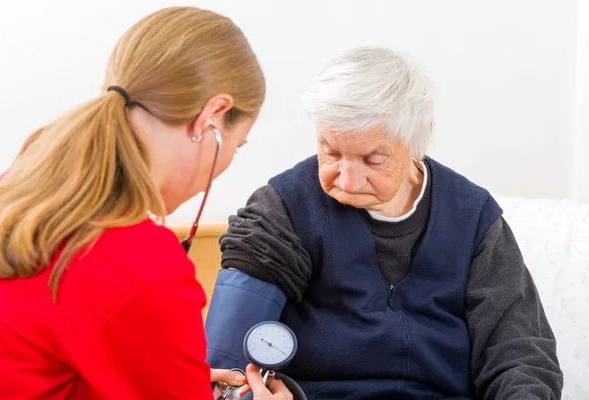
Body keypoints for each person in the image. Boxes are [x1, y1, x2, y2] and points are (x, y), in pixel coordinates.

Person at [205, 46, 564, 399]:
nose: (346, 180)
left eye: (373, 160)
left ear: (418, 141)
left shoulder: (473, 218)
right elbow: (227, 370)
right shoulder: (282, 209)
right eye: (330, 151)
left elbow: (521, 356)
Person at [0, 7, 292, 400]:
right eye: (237, 145)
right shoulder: (144, 265)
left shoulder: (16, 194)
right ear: (211, 117)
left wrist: (172, 371)